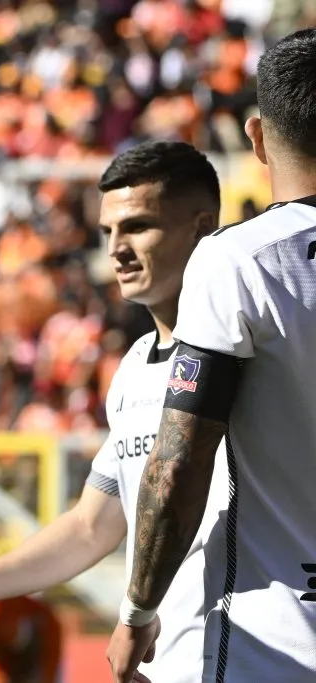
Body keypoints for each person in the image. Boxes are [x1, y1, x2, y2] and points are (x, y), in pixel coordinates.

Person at [0, 141, 228, 683]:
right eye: (107, 232)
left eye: (138, 226)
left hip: (259, 653)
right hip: (170, 660)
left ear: (202, 228)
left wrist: (133, 616)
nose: (116, 249)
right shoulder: (136, 367)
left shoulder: (248, 354)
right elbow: (90, 526)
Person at [107, 28, 316, 683]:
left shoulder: (238, 260)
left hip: (272, 643)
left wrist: (138, 607)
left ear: (257, 137)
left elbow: (180, 463)